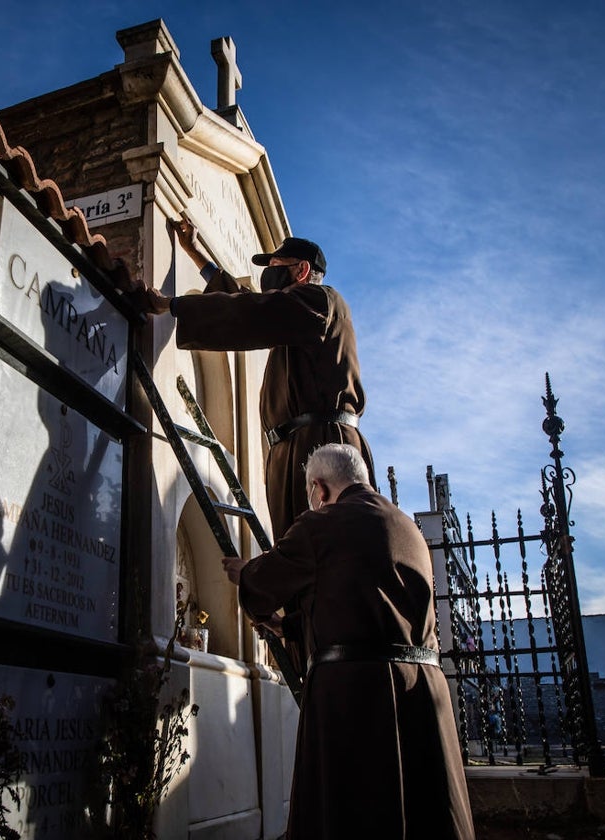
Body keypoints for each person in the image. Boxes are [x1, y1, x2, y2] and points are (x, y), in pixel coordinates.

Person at [140, 219, 374, 676]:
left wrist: (173, 306)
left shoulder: (320, 302)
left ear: (301, 271)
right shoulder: (296, 311)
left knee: (319, 557)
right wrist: (196, 257)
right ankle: (301, 633)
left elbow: (253, 314)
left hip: (320, 446)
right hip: (297, 450)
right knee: (305, 562)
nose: (270, 275)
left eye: (277, 267)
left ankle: (324, 658)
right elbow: (252, 305)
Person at [222, 443, 475, 840]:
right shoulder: (407, 526)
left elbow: (267, 581)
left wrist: (244, 572)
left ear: (319, 489)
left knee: (357, 815)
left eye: (311, 494)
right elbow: (365, 606)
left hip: (358, 698)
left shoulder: (321, 524)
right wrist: (287, 629)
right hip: (422, 697)